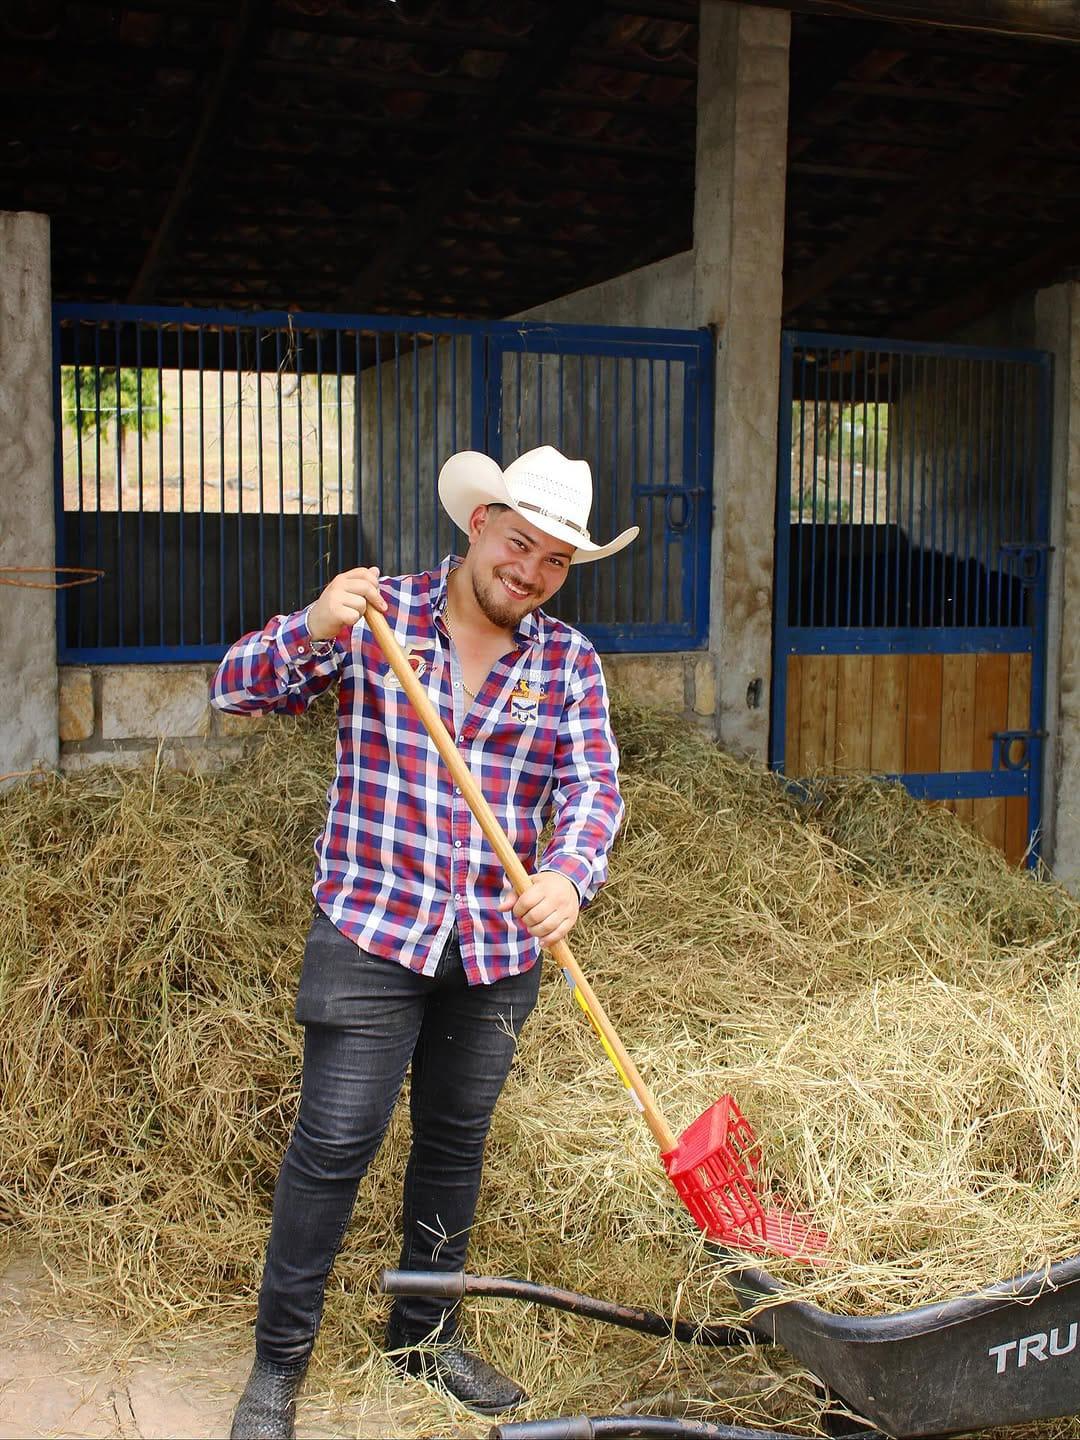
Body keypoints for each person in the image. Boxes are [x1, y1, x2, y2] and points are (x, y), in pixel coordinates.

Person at [213, 445, 638, 1439]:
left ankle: (423, 1337)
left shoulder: (568, 661)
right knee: (334, 1146)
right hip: (371, 929)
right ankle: (278, 1371)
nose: (529, 574)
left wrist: (568, 876)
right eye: (519, 545)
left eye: (554, 562)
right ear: (479, 522)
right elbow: (236, 688)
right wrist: (312, 626)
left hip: (494, 948)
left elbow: (592, 792)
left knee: (454, 1146)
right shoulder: (379, 618)